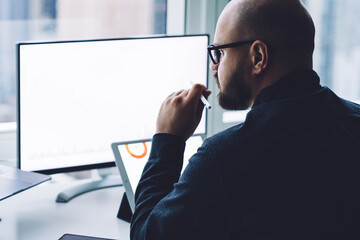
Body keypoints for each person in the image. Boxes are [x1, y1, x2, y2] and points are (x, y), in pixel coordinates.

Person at [131, 0, 360, 239]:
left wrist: (168, 140)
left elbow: (146, 236)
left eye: (219, 52)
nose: (213, 67)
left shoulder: (223, 159)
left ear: (258, 57)